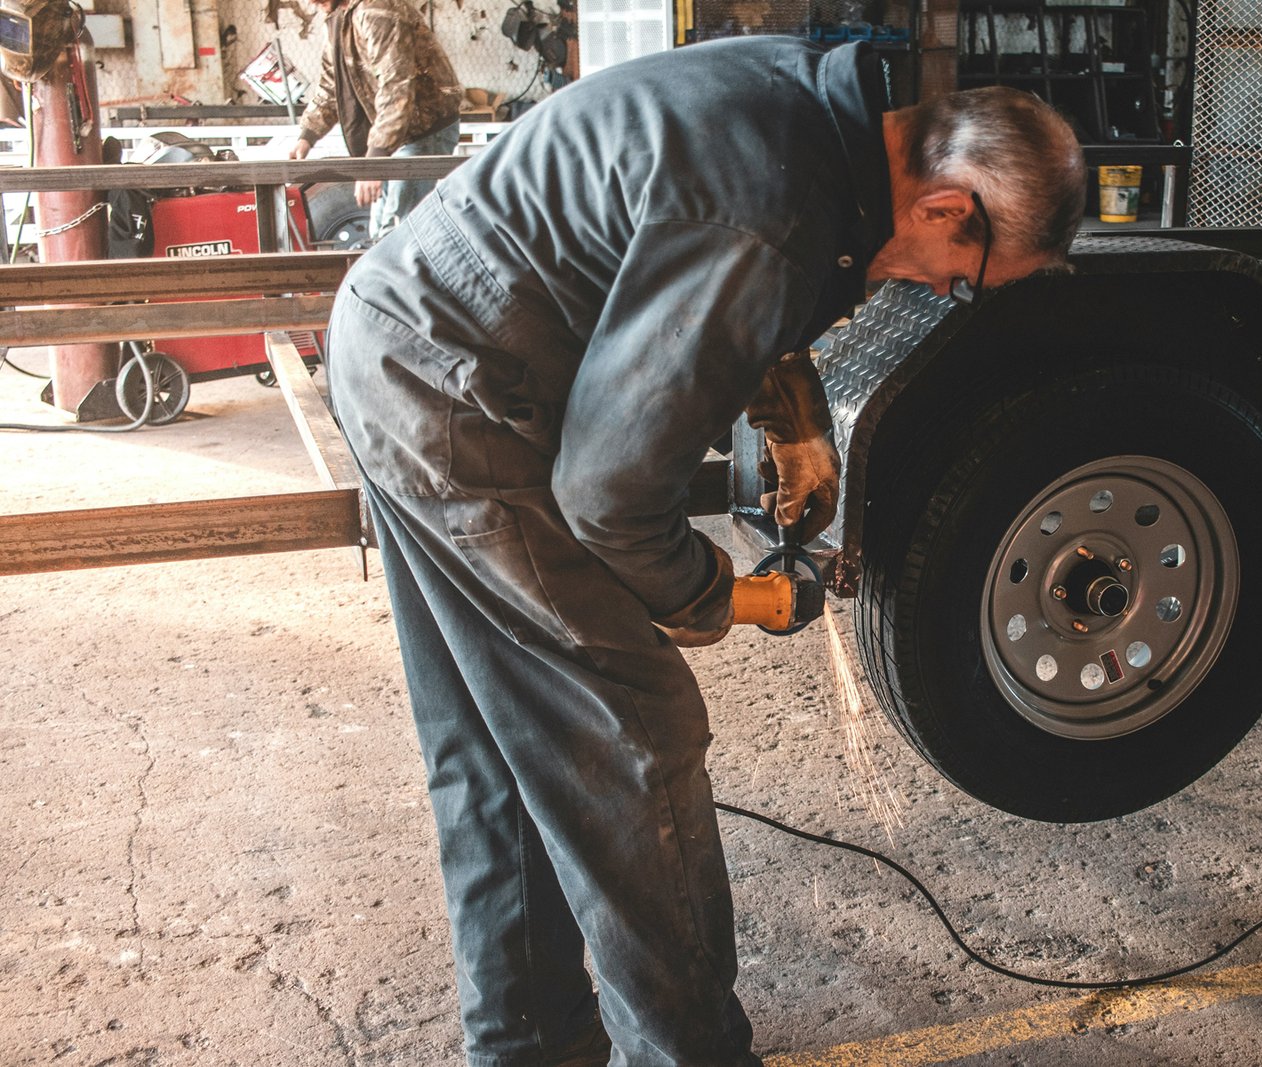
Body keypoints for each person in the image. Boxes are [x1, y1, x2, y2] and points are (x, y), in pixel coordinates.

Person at [324, 36, 1084, 1067]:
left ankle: (526, 1045)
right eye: (966, 279)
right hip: (460, 401)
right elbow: (607, 498)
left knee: (504, 740)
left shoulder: (816, 112)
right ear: (949, 207)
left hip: (400, 341)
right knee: (632, 735)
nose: (947, 291)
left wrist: (794, 411)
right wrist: (710, 592)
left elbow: (702, 243)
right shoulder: (775, 211)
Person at [290, 0, 462, 238]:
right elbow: (332, 85)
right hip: (393, 134)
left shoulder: (378, 10)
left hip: (421, 130)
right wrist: (307, 135)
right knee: (383, 232)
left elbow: (396, 86)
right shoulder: (339, 18)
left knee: (402, 232)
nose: (309, 1)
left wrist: (373, 164)